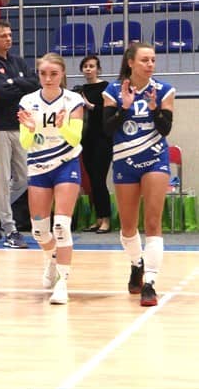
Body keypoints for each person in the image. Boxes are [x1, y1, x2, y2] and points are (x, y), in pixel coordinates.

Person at [103, 42, 175, 307]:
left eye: (153, 60)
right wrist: (124, 107)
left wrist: (155, 109)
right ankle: (137, 264)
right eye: (145, 60)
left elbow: (165, 129)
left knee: (153, 223)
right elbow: (107, 129)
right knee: (127, 226)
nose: (150, 64)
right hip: (125, 160)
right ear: (131, 62)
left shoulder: (164, 90)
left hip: (155, 158)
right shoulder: (113, 90)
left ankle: (150, 283)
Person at [17, 53, 84, 305]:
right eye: (43, 74)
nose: (48, 78)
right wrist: (29, 129)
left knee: (61, 225)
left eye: (53, 74)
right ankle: (51, 258)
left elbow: (75, 139)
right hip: (38, 167)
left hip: (66, 164)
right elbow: (25, 143)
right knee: (39, 231)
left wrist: (63, 125)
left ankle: (62, 282)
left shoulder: (73, 100)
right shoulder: (27, 101)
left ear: (62, 74)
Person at [0, 20, 39, 248]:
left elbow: (35, 84)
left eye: (10, 35)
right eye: (3, 36)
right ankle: (10, 230)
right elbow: (1, 91)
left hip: (19, 125)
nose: (8, 39)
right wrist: (19, 85)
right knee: (1, 181)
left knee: (23, 178)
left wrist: (15, 82)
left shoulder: (18, 61)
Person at [73, 55, 113, 233]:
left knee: (99, 179)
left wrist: (89, 105)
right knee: (92, 180)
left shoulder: (105, 87)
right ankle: (98, 219)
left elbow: (108, 111)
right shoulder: (80, 90)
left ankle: (106, 219)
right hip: (86, 139)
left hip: (102, 139)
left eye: (92, 66)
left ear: (98, 69)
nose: (88, 69)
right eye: (85, 66)